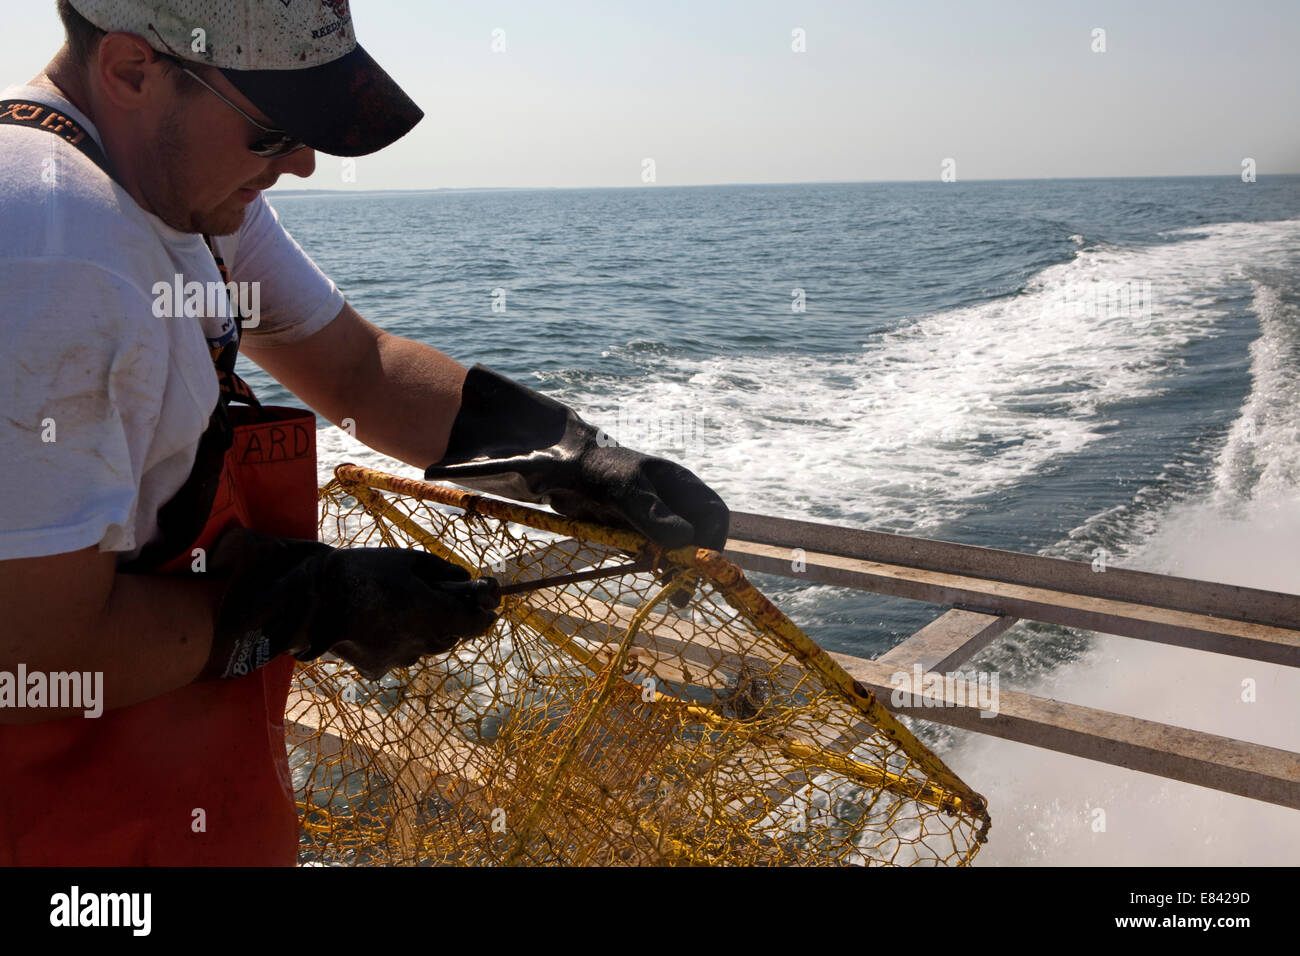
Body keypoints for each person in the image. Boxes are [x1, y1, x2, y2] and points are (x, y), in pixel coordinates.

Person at [0, 0, 728, 866]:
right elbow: (27, 660)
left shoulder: (165, 187)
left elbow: (358, 370)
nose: (303, 164)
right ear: (131, 71)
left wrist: (574, 459)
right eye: (274, 132)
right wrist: (313, 602)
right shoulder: (54, 252)